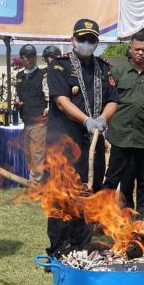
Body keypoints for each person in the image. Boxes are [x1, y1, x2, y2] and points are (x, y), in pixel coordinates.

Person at [45, 19, 118, 255]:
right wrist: (86, 120)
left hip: (92, 146)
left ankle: (82, 246)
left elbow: (113, 100)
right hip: (64, 145)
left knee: (88, 195)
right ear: (73, 40)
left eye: (92, 39)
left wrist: (103, 119)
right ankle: (59, 248)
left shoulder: (104, 68)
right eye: (82, 39)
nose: (87, 43)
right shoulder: (59, 66)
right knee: (61, 198)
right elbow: (61, 100)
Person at [102, 31, 144, 219]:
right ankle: (104, 217)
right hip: (121, 138)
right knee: (116, 180)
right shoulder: (116, 72)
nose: (140, 52)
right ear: (130, 49)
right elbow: (106, 104)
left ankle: (143, 221)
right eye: (137, 49)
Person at [14, 44, 48, 184]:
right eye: (27, 57)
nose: (30, 59)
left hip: (39, 121)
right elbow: (19, 95)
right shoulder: (19, 75)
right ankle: (34, 182)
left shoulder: (43, 74)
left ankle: (36, 186)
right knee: (29, 154)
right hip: (26, 120)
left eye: (32, 56)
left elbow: (48, 97)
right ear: (22, 58)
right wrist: (18, 103)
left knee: (38, 154)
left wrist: (47, 109)